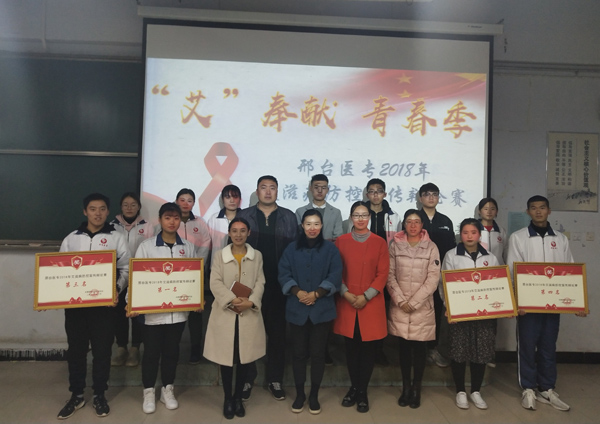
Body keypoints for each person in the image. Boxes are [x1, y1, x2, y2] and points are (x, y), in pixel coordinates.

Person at [507, 195, 586, 412]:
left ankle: (547, 387)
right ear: (528, 212)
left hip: (553, 303)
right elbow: (513, 270)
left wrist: (577, 303)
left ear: (549, 211)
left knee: (548, 346)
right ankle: (528, 388)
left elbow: (570, 271)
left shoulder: (560, 239)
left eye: (542, 207)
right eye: (533, 208)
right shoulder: (518, 237)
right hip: (528, 305)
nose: (538, 211)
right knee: (527, 346)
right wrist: (517, 301)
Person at [57, 193, 130, 420]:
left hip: (105, 307)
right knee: (76, 351)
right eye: (92, 209)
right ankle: (76, 395)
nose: (97, 213)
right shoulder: (71, 239)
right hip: (76, 308)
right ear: (85, 211)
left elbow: (126, 269)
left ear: (108, 211)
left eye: (102, 209)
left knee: (102, 351)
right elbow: (59, 270)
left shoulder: (117, 238)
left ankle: (99, 394)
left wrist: (116, 289)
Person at [132, 202, 201, 414]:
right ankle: (148, 391)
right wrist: (132, 303)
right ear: (160, 220)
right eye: (168, 218)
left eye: (176, 218)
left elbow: (193, 278)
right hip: (152, 314)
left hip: (177, 314)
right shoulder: (147, 247)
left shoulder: (187, 247)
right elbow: (137, 278)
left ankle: (167, 389)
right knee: (151, 353)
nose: (172, 222)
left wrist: (197, 299)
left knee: (172, 352)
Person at [237, 175, 298, 401]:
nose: (268, 191)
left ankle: (275, 379)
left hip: (278, 285)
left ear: (277, 191)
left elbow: (295, 252)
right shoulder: (244, 216)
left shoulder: (289, 217)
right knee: (248, 333)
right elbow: (234, 247)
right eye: (264, 187)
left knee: (277, 335)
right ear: (257, 191)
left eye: (273, 188)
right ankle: (246, 378)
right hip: (248, 285)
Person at [279, 209, 342, 415]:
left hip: (321, 309)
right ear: (302, 226)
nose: (312, 228)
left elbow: (335, 275)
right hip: (297, 308)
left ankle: (314, 395)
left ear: (321, 226)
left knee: (317, 354)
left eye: (316, 224)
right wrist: (298, 292)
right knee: (298, 354)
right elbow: (284, 273)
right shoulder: (291, 249)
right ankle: (300, 394)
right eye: (308, 224)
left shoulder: (331, 250)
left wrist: (317, 293)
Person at [204, 217, 266, 420]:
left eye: (242, 230)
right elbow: (214, 282)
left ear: (249, 233)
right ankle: (228, 398)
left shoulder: (257, 255)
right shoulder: (219, 255)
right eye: (234, 231)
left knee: (244, 359)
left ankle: (238, 397)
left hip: (248, 314)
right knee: (227, 359)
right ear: (229, 233)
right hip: (225, 314)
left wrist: (252, 301)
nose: (238, 234)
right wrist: (231, 299)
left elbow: (260, 282)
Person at [334, 201, 389, 413]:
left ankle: (363, 390)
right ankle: (354, 387)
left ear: (369, 217)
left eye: (364, 215)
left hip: (370, 304)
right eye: (356, 215)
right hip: (347, 302)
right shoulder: (341, 241)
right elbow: (335, 271)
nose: (360, 218)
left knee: (367, 350)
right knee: (351, 348)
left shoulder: (379, 242)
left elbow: (383, 273)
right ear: (350, 217)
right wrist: (346, 293)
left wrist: (366, 296)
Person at [442, 218, 500, 410]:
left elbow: (498, 284)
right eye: (465, 232)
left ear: (479, 235)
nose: (469, 236)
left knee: (480, 352)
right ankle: (460, 390)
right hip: (460, 312)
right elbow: (444, 284)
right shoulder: (451, 255)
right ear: (461, 235)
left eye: (473, 233)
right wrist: (449, 306)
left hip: (483, 313)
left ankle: (475, 390)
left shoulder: (490, 257)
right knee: (459, 351)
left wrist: (502, 306)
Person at [387, 209, 440, 409]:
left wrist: (415, 302)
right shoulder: (395, 245)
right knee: (403, 349)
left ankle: (417, 388)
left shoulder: (431, 247)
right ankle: (406, 387)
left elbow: (433, 278)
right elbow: (389, 275)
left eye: (417, 221)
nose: (413, 225)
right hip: (400, 305)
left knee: (419, 350)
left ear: (422, 225)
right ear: (404, 224)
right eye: (409, 221)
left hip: (422, 307)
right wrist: (401, 301)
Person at [110, 192, 154, 367]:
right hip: (119, 274)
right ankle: (121, 347)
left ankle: (135, 348)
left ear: (139, 207)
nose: (129, 208)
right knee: (118, 313)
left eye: (133, 205)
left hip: (140, 275)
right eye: (125, 205)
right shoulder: (112, 226)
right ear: (121, 207)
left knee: (137, 312)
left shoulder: (148, 226)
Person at [417, 182, 456, 368]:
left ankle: (434, 349)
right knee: (419, 310)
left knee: (439, 311)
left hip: (440, 274)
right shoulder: (415, 219)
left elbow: (451, 250)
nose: (431, 197)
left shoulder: (446, 221)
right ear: (420, 198)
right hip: (418, 274)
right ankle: (419, 349)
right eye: (427, 194)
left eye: (435, 194)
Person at [174, 188, 211, 364]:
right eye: (182, 200)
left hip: (196, 273)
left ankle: (195, 348)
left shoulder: (200, 222)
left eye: (189, 200)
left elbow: (205, 243)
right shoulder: (170, 220)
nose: (185, 203)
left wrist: (197, 266)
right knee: (175, 310)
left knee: (195, 313)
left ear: (194, 203)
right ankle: (173, 346)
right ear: (176, 201)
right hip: (173, 275)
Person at [295, 174, 343, 242]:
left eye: (323, 188)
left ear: (327, 190)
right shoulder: (300, 212)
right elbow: (298, 236)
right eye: (316, 187)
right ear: (310, 188)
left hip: (329, 248)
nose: (320, 191)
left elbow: (338, 238)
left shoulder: (336, 212)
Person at [206, 185, 242, 267]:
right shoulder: (214, 219)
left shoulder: (246, 218)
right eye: (228, 197)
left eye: (235, 196)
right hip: (217, 265)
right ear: (222, 199)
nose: (232, 200)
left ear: (240, 199)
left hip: (240, 265)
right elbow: (207, 244)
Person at [476, 197, 508, 265]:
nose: (489, 212)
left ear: (496, 211)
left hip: (498, 267)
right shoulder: (474, 230)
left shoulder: (501, 231)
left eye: (492, 209)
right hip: (480, 268)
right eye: (486, 209)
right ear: (479, 211)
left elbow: (505, 253)